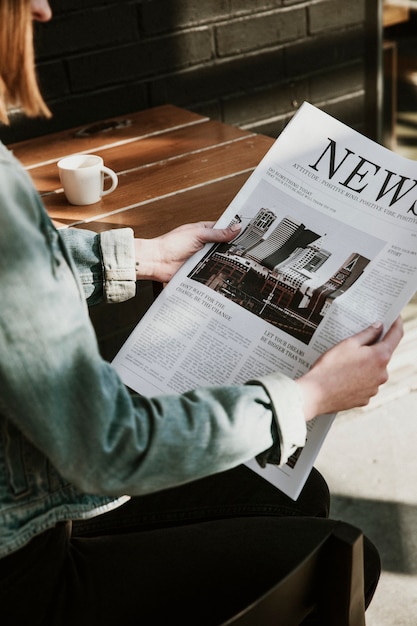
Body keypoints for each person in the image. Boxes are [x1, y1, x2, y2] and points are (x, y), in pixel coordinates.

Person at [0, 2, 404, 625]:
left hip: (24, 494)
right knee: (343, 556)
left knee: (298, 495)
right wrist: (306, 397)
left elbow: (17, 273)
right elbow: (108, 448)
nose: (43, 9)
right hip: (26, 574)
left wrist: (140, 257)